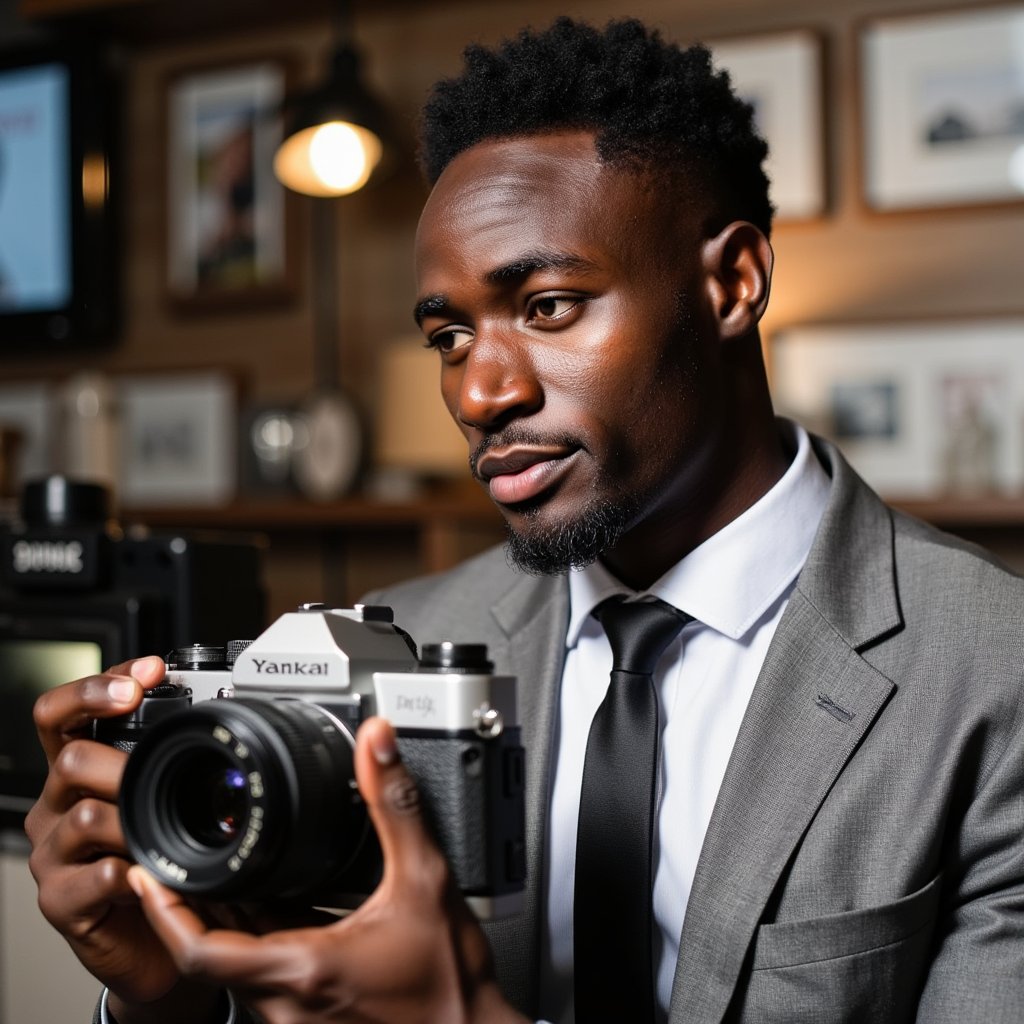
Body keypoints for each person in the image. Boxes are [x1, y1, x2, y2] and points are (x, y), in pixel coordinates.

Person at [24, 17, 1024, 1024]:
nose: (479, 391)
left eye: (546, 306)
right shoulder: (388, 648)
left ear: (731, 284)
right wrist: (170, 998)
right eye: (450, 335)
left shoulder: (994, 673)